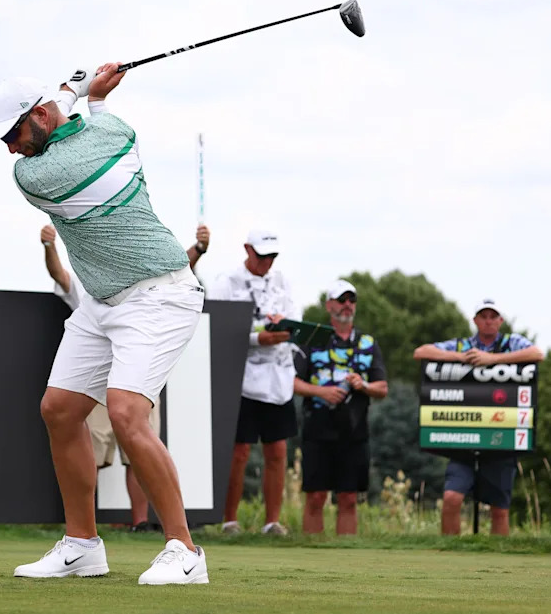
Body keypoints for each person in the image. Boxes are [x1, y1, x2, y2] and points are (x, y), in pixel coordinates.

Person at [0, 63, 208, 585]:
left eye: (13, 135)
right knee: (59, 410)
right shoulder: (113, 129)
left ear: (40, 115)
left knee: (126, 412)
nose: (11, 151)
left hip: (160, 295)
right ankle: (82, 545)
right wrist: (89, 96)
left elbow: (64, 130)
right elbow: (79, 119)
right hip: (101, 301)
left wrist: (74, 89)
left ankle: (185, 550)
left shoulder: (37, 176)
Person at [41, 222, 210, 532]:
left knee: (136, 447)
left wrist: (198, 249)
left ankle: (154, 528)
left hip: (137, 375)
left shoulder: (140, 274)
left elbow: (173, 270)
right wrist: (50, 246)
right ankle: (83, 534)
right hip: (93, 385)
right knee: (85, 442)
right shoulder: (86, 281)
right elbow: (59, 275)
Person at [412, 298, 544, 536]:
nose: (488, 321)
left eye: (493, 316)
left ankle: (497, 555)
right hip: (465, 440)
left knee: (499, 509)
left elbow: (536, 353)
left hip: (502, 440)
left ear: (500, 320)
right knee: (452, 498)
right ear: (475, 320)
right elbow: (421, 352)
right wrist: (461, 358)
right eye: (483, 316)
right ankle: (449, 551)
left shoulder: (511, 342)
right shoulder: (462, 345)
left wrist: (493, 360)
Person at [207, 230, 298, 536]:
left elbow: (294, 321)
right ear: (247, 249)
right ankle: (229, 520)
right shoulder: (226, 282)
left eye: (272, 256)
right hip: (241, 377)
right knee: (239, 451)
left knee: (277, 451)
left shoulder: (283, 281)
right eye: (262, 255)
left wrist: (280, 331)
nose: (267, 262)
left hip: (278, 377)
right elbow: (219, 325)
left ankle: (272, 522)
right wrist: (259, 337)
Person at [293, 280, 389, 535]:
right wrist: (321, 391)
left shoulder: (367, 343)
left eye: (352, 300)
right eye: (342, 300)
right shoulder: (314, 339)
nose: (347, 305)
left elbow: (382, 388)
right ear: (329, 305)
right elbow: (292, 382)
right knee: (316, 496)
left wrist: (362, 385)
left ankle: (346, 552)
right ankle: (311, 552)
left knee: (348, 497)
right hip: (318, 426)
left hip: (354, 428)